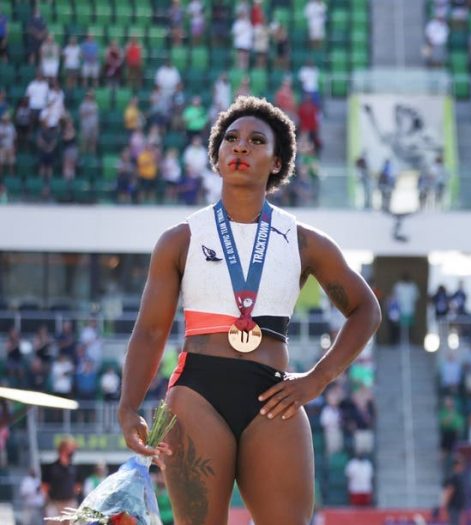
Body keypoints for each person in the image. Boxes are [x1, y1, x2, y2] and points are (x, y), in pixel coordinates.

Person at [117, 96, 382, 525]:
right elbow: (149, 331)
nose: (241, 146)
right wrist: (129, 406)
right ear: (217, 156)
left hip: (274, 396)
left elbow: (366, 310)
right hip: (195, 394)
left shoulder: (303, 241)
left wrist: (317, 379)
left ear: (277, 162)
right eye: (231, 139)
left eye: (257, 140)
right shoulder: (180, 239)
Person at [41, 437, 81, 518]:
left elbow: (78, 485)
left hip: (70, 503)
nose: (73, 451)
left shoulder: (74, 468)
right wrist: (48, 499)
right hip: (54, 503)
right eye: (71, 448)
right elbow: (44, 486)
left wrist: (74, 494)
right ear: (63, 449)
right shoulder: (51, 467)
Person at [440, 456, 467, 525]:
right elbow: (449, 491)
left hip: (458, 507)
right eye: (461, 465)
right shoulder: (453, 477)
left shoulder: (459, 477)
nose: (463, 467)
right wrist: (445, 504)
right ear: (456, 465)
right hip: (454, 507)